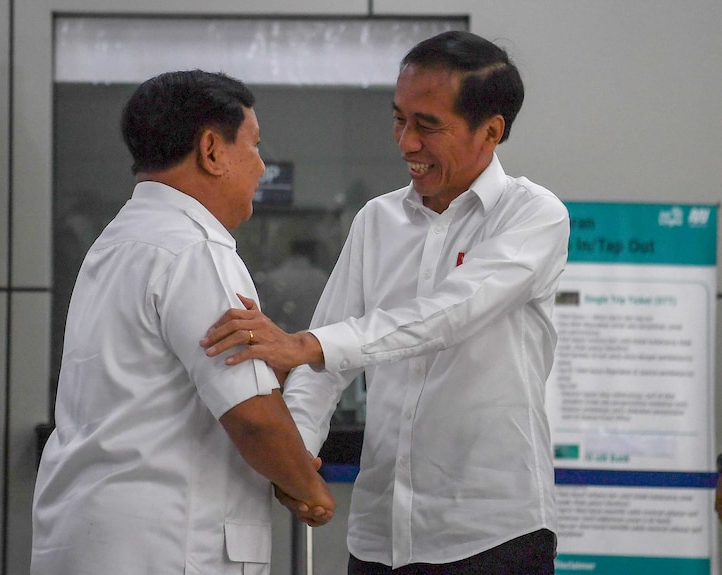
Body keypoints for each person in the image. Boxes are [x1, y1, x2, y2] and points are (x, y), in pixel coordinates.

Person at [201, 31, 570, 574]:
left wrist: (306, 345)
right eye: (399, 118)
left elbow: (450, 314)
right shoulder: (378, 219)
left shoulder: (533, 216)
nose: (406, 142)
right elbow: (325, 369)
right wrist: (297, 457)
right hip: (379, 536)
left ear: (491, 131)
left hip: (493, 533)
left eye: (428, 125)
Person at [31, 70, 335, 575]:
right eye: (254, 146)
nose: (261, 168)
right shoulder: (196, 249)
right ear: (212, 150)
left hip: (90, 536)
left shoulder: (115, 243)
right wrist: (309, 488)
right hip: (168, 545)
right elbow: (253, 416)